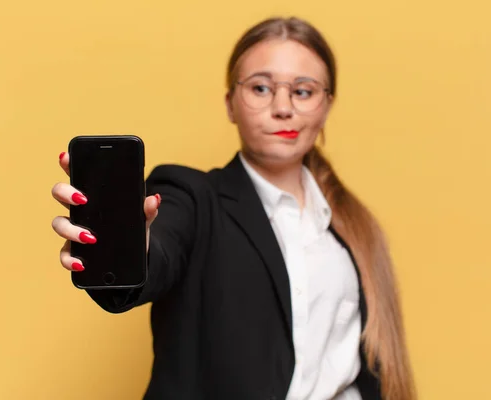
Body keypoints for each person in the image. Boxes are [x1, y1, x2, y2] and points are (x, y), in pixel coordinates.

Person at [51, 16, 415, 400]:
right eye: (260, 87)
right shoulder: (191, 196)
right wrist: (124, 246)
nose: (282, 107)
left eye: (303, 91)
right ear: (230, 104)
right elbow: (158, 254)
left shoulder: (354, 228)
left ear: (326, 106)